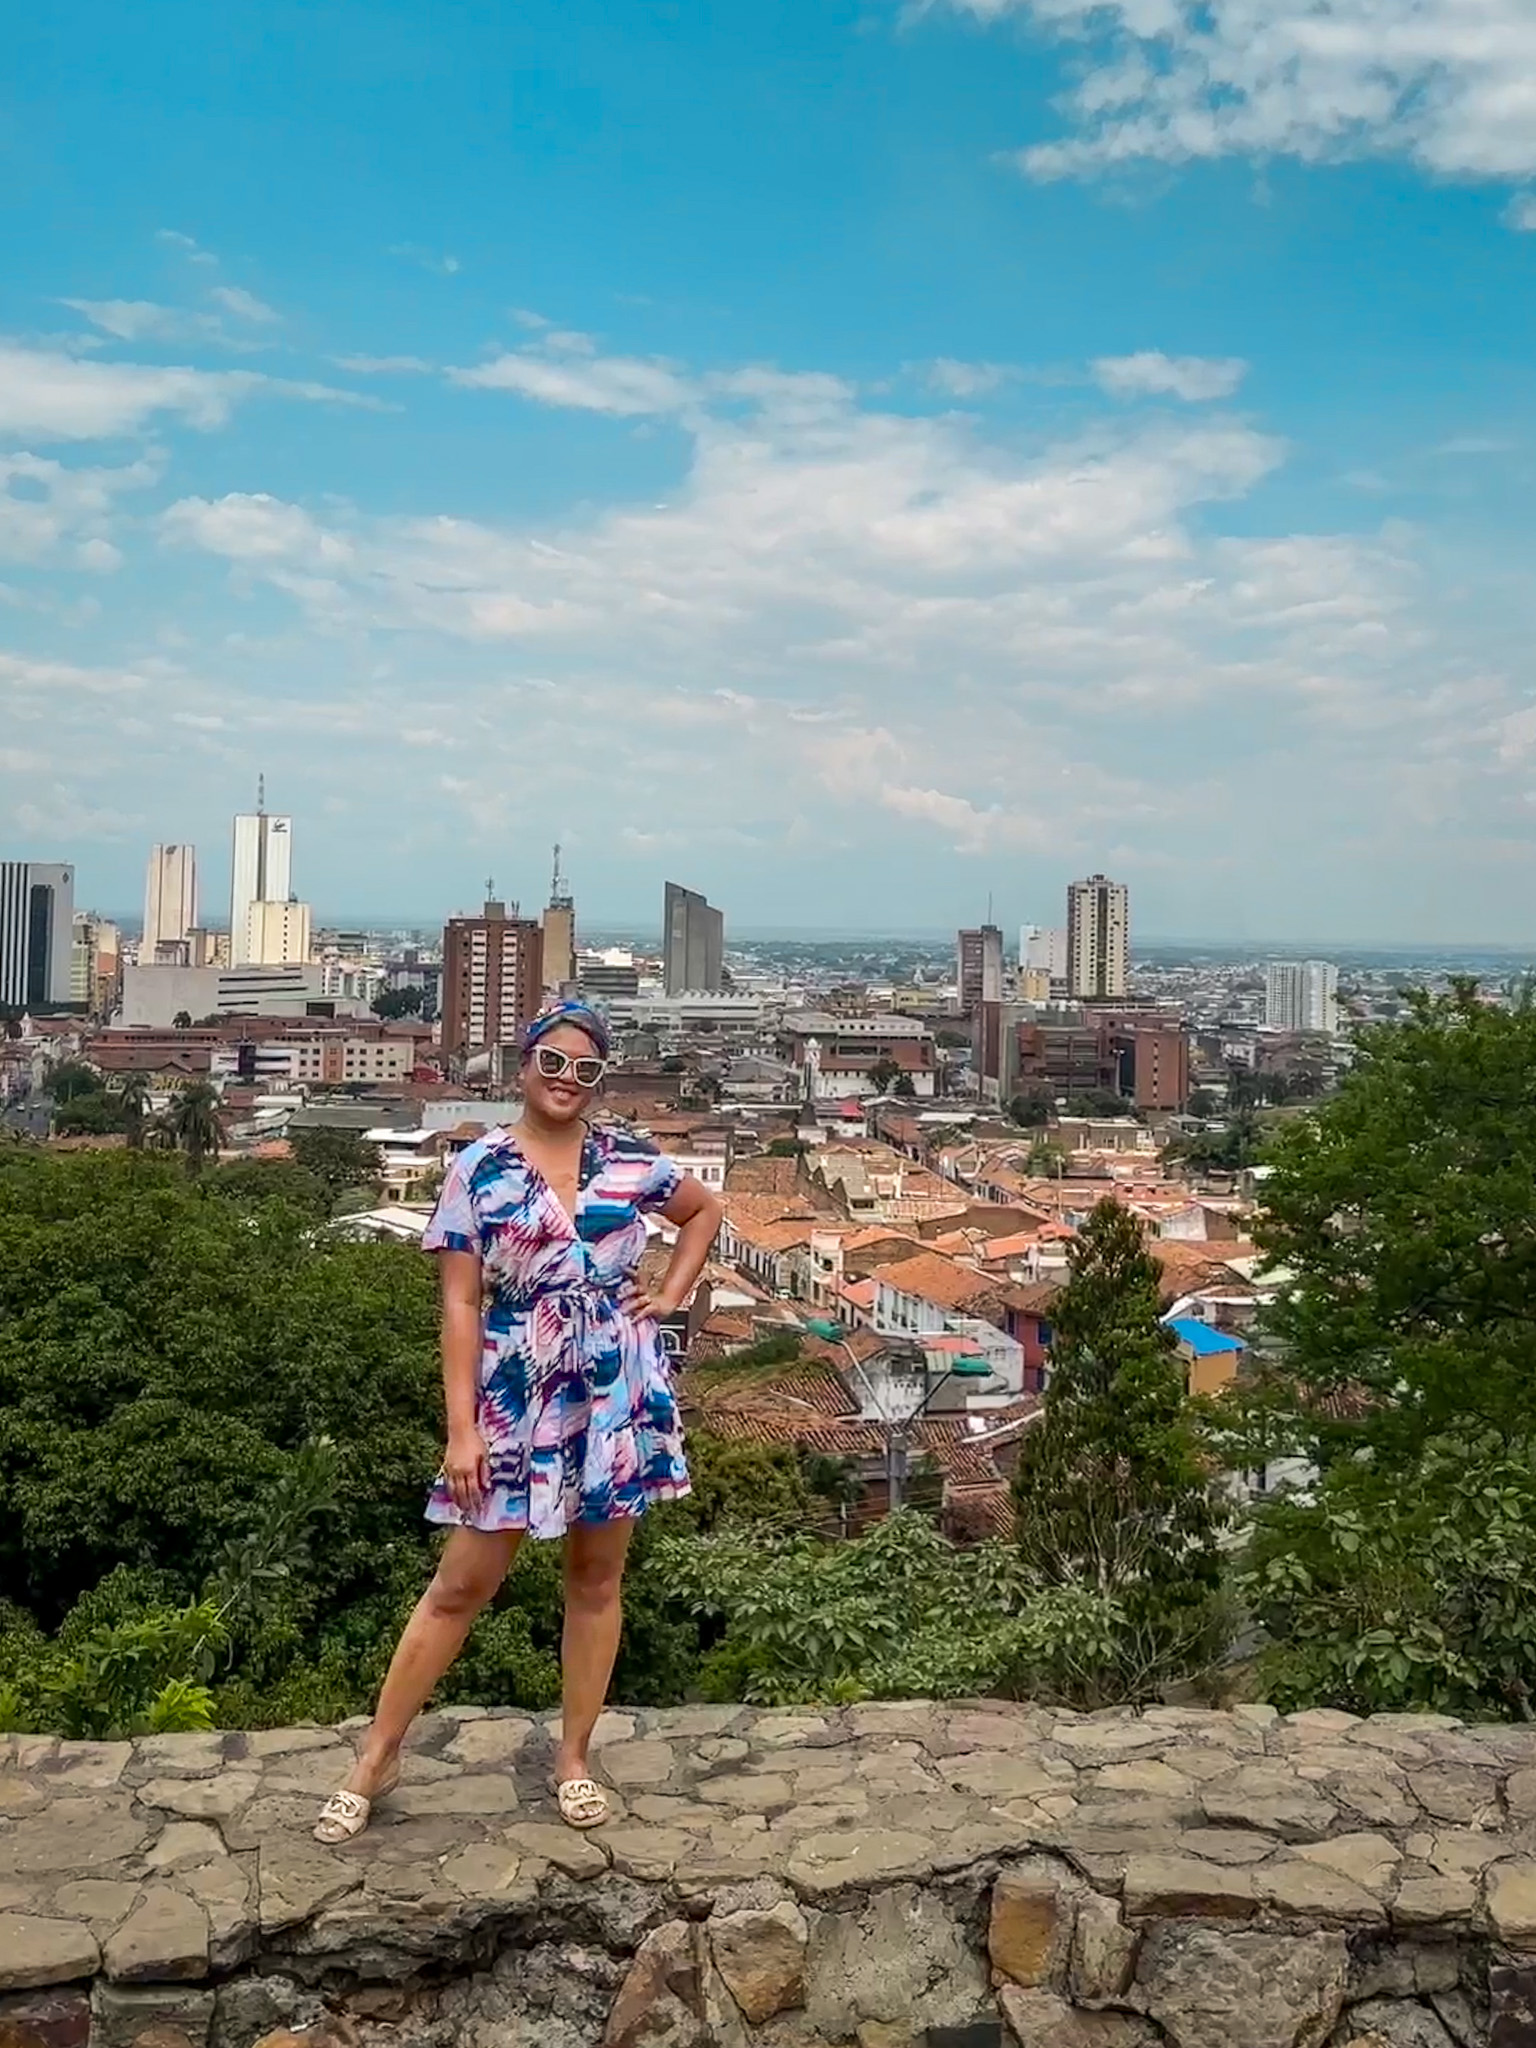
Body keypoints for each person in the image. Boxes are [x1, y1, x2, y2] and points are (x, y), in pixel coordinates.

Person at [314, 999, 723, 1844]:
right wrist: (461, 1428)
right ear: (523, 1064)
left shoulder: (628, 1159)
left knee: (597, 1578)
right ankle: (375, 1755)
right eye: (553, 1062)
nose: (567, 1080)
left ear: (601, 1081)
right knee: (462, 1581)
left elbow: (704, 1211)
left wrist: (672, 1292)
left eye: (586, 1070)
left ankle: (574, 1756)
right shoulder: (481, 1168)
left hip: (613, 1384)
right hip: (515, 1387)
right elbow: (460, 1305)